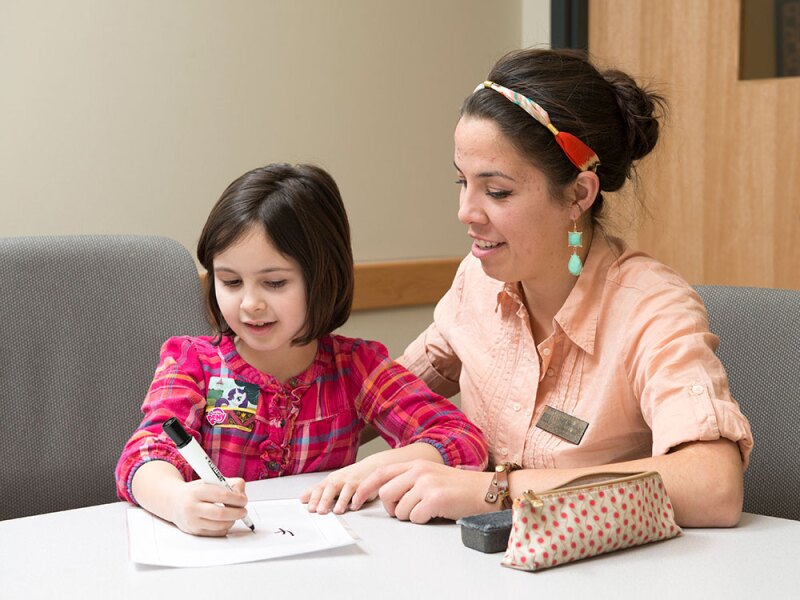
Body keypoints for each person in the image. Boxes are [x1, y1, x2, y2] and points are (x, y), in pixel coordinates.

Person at [350, 48, 753, 527]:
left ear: (579, 195)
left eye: (496, 191)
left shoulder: (651, 306)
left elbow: (713, 485)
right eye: (463, 182)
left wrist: (494, 491)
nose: (466, 211)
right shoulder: (476, 281)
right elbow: (373, 399)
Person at [115, 163, 487, 536]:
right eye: (230, 281)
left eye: (274, 283)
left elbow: (462, 439)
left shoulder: (356, 366)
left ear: (322, 278)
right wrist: (176, 501)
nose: (250, 304)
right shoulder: (192, 362)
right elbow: (144, 455)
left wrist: (374, 467)